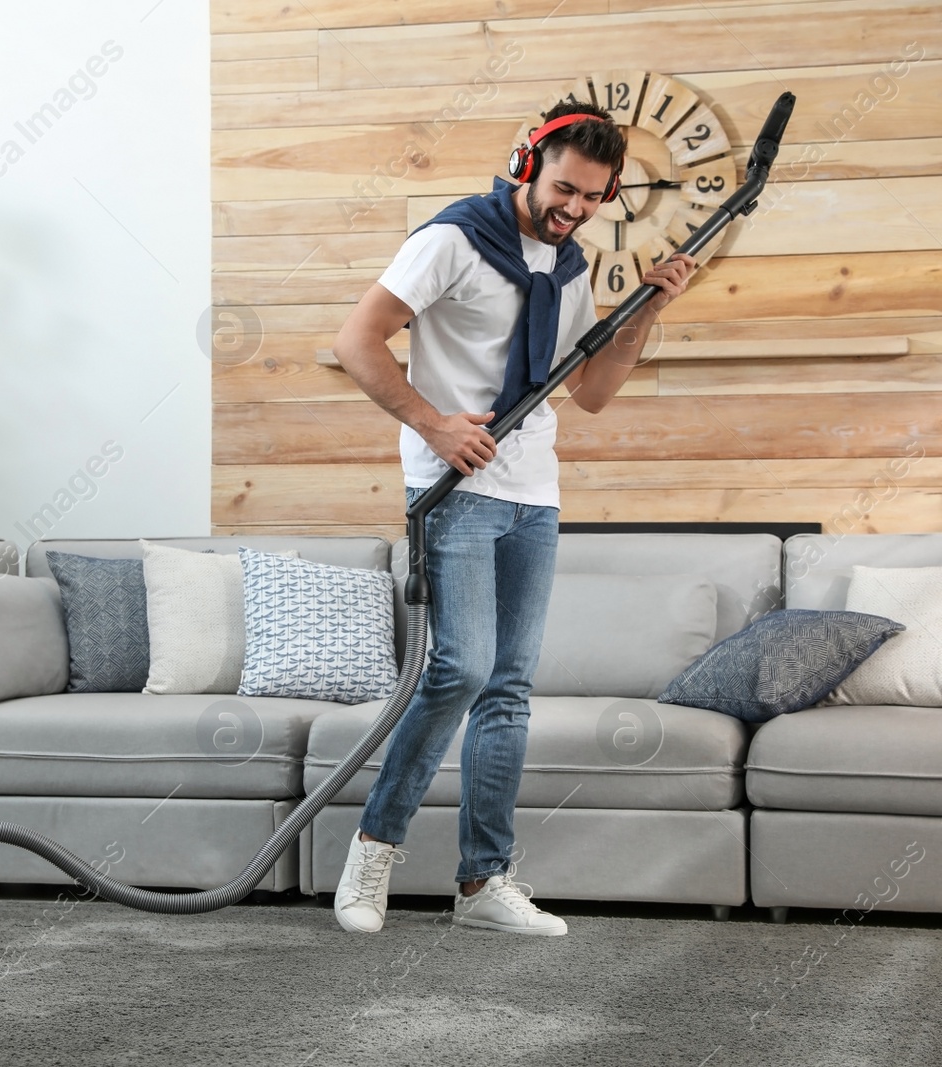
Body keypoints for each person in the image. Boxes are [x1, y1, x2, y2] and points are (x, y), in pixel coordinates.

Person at [329, 101, 696, 936]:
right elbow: (357, 340)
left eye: (595, 198)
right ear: (526, 162)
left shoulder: (571, 267)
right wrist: (433, 423)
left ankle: (482, 884)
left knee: (509, 688)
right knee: (458, 671)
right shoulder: (453, 239)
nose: (575, 209)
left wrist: (644, 311)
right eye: (565, 189)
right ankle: (371, 859)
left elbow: (592, 394)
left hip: (533, 491)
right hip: (456, 487)